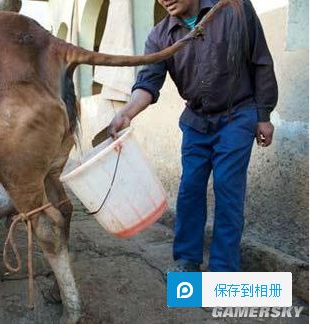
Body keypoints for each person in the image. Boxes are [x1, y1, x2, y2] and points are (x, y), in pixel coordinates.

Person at [108, 0, 277, 272]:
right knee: (189, 190)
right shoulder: (160, 35)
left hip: (237, 115)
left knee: (228, 191)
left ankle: (223, 271)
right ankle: (188, 260)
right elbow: (149, 82)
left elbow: (260, 61)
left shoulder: (234, 8)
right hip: (197, 121)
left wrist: (264, 115)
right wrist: (127, 113)